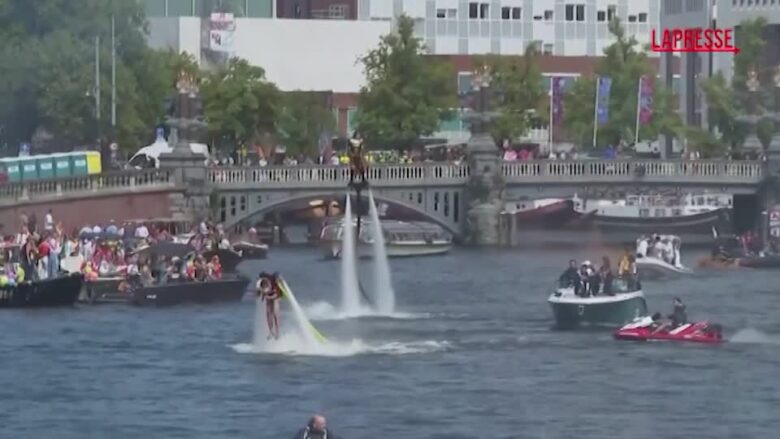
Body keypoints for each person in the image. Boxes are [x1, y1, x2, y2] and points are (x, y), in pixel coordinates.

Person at [257, 272, 283, 340]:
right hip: (269, 295)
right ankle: (271, 331)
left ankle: (277, 332)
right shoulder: (260, 284)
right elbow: (259, 293)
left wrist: (269, 297)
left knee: (275, 313)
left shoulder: (273, 282)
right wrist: (261, 295)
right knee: (268, 313)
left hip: (276, 295)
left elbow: (277, 295)